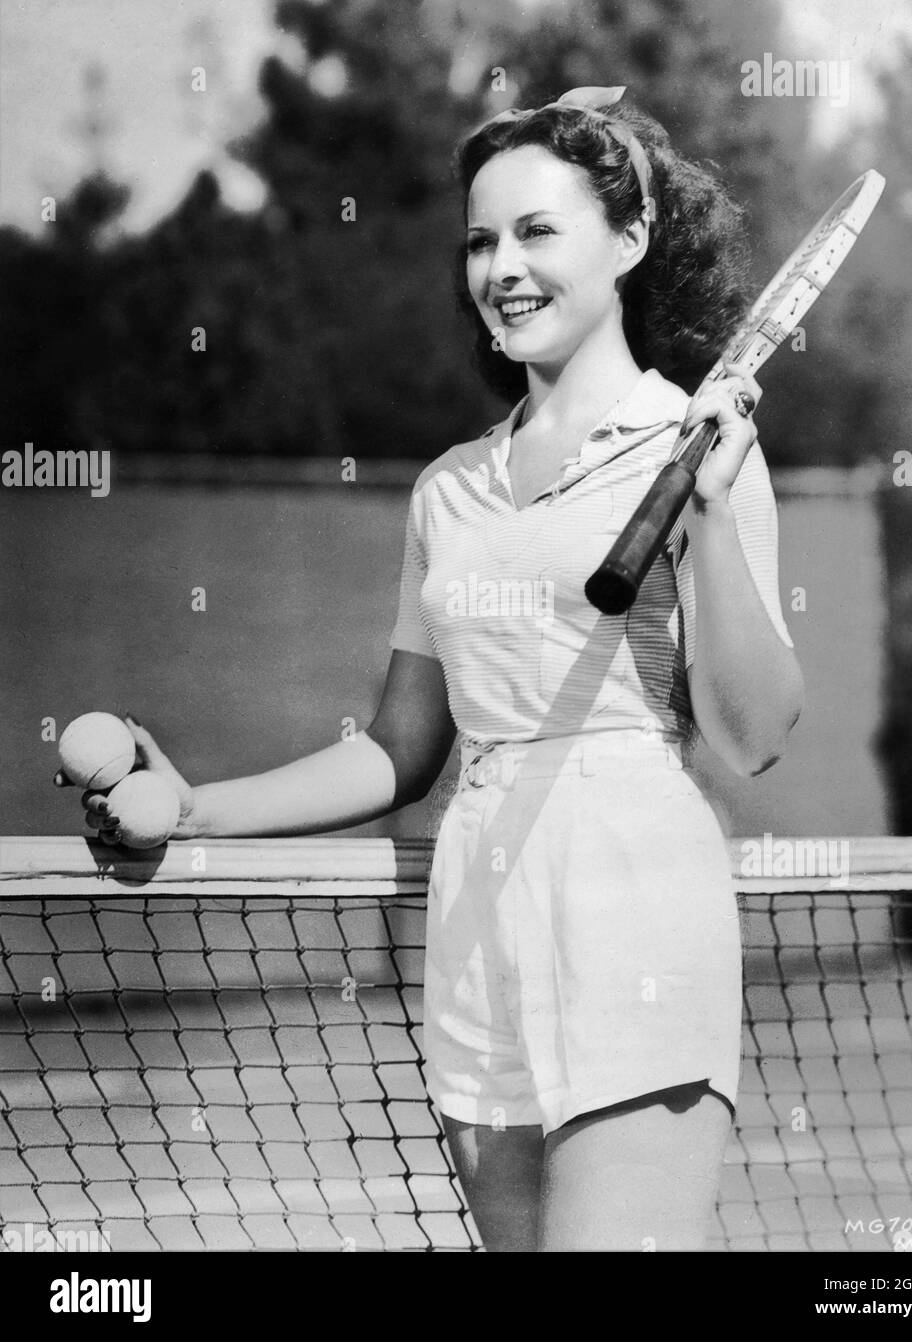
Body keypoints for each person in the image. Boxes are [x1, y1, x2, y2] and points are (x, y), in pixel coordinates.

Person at [62, 85, 803, 1251]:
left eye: (537, 231)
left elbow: (753, 734)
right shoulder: (449, 487)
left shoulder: (698, 443)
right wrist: (193, 805)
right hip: (472, 915)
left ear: (631, 239)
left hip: (635, 899)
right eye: (479, 238)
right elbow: (401, 752)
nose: (500, 265)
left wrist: (709, 511)